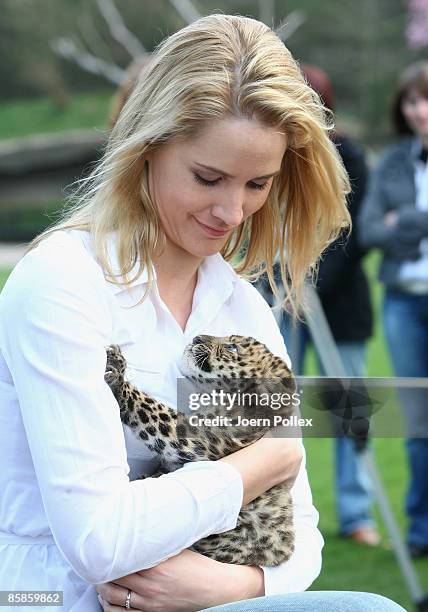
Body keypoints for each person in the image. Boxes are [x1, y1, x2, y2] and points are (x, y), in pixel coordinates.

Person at [0, 14, 404, 612]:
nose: (232, 211)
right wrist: (261, 461)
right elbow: (98, 540)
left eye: (258, 184)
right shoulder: (63, 281)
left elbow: (304, 535)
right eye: (208, 177)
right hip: (42, 597)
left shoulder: (241, 308)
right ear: (148, 148)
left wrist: (240, 584)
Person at [262, 65, 379, 547]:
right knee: (273, 409)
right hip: (279, 302)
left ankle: (356, 513)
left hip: (335, 302)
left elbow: (353, 233)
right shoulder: (270, 154)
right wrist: (283, 289)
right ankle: (278, 510)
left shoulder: (349, 157)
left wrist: (308, 284)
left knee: (349, 408)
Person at [358, 61, 428, 559]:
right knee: (418, 423)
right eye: (410, 101)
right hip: (404, 301)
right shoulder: (394, 163)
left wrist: (402, 218)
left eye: (424, 99)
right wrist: (412, 223)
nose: (418, 110)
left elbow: (390, 226)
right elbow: (369, 232)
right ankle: (423, 531)